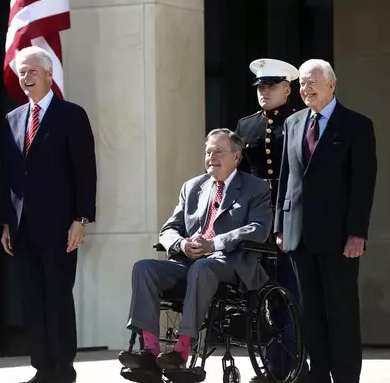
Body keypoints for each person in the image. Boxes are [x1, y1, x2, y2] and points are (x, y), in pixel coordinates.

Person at [119, 129, 272, 375]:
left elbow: (258, 229)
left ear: (236, 156)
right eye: (208, 152)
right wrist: (181, 245)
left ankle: (181, 351)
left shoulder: (255, 188)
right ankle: (149, 351)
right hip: (190, 262)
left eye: (219, 152)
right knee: (144, 268)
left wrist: (215, 243)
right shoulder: (193, 187)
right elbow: (169, 229)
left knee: (203, 267)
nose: (212, 157)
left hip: (229, 263)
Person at [275, 59, 377, 383]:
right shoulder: (293, 123)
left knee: (341, 311)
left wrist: (356, 233)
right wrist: (279, 226)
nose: (305, 89)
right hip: (298, 236)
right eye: (302, 84)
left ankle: (346, 377)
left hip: (337, 238)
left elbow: (363, 185)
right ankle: (318, 374)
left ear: (331, 85)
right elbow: (285, 178)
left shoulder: (356, 125)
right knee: (310, 312)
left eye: (312, 83)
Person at [0, 46, 97, 383]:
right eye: (22, 72)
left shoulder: (71, 115)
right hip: (22, 228)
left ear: (48, 74)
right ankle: (41, 367)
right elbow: (11, 177)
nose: (25, 78)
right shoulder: (12, 119)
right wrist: (5, 224)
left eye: (32, 71)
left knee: (57, 296)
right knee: (31, 300)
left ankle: (62, 367)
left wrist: (81, 219)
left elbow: (85, 171)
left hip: (60, 226)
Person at [235, 58, 309, 382]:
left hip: (290, 219)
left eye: (270, 86)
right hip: (256, 221)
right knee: (261, 297)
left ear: (287, 89)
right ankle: (272, 366)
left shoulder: (300, 121)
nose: (264, 92)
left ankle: (295, 367)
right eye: (260, 87)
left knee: (291, 294)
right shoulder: (246, 125)